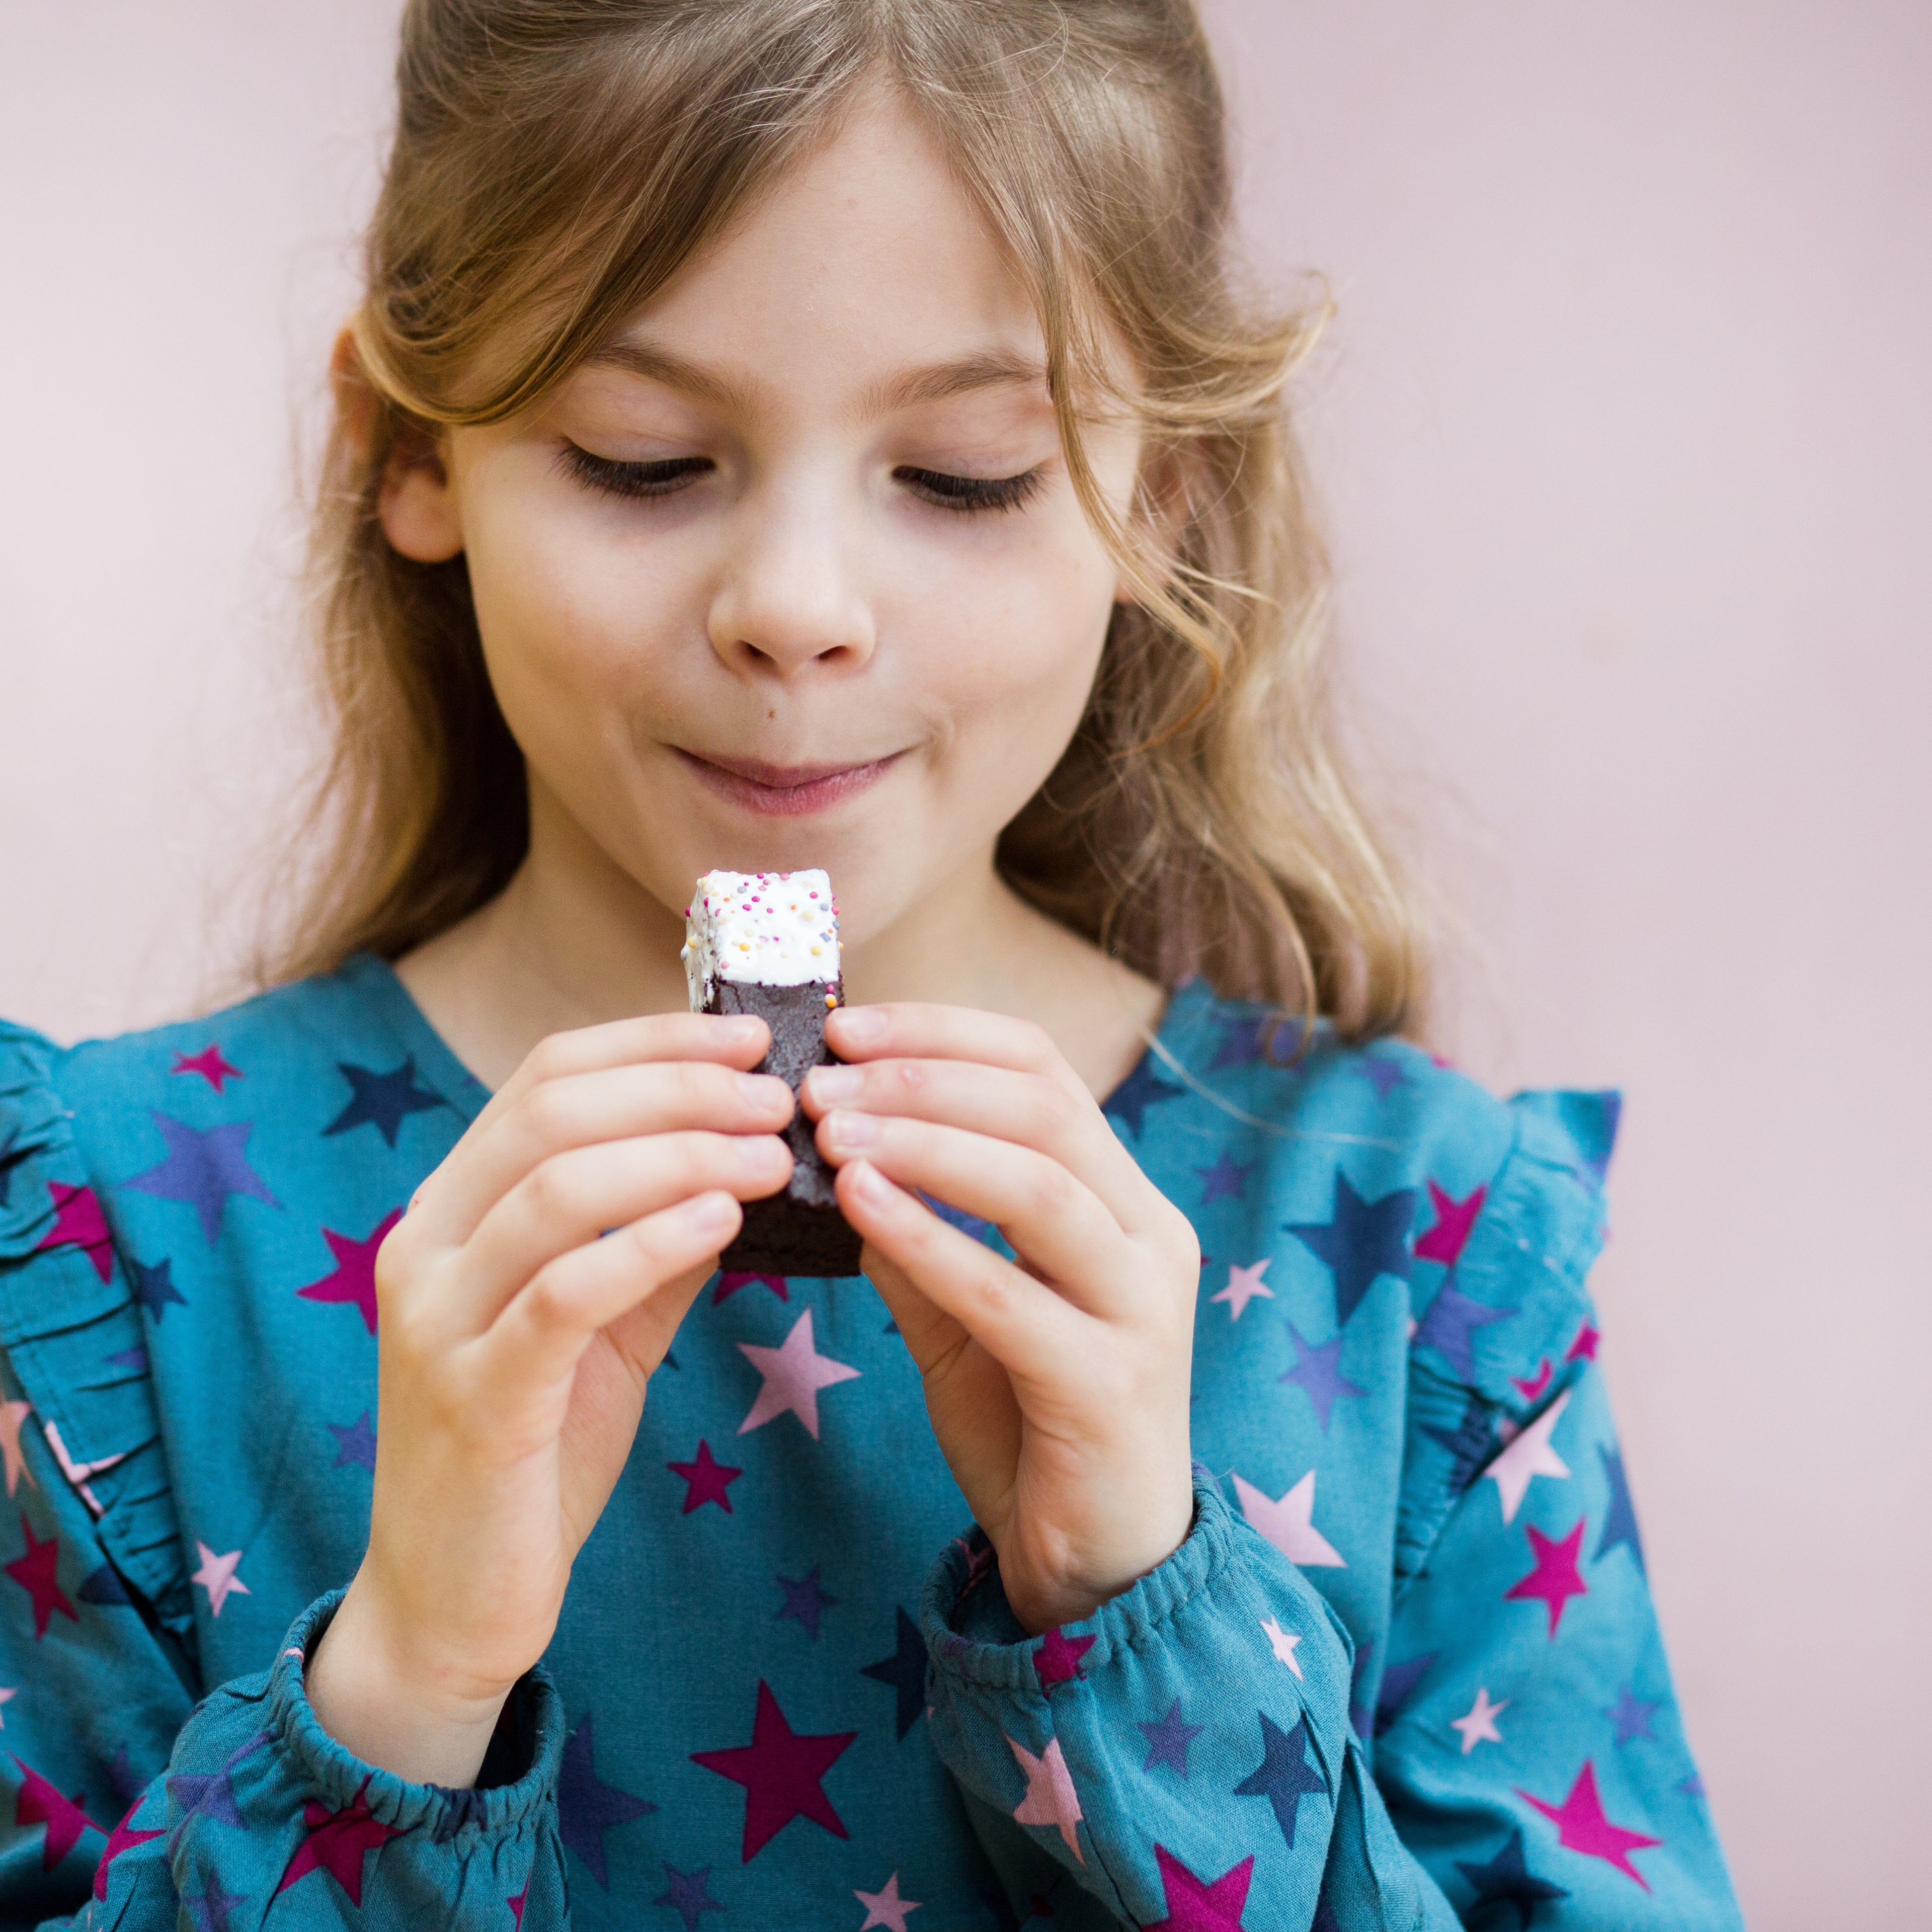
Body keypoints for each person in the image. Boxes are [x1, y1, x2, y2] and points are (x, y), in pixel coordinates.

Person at [0, 3, 1744, 1925]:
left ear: (1162, 493)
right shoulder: (111, 1232)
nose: (798, 612)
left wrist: (1152, 1640)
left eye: (971, 474)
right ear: (411, 448)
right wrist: (397, 1687)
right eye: (644, 459)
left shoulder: (1413, 1243)